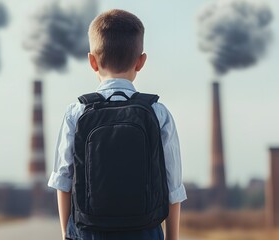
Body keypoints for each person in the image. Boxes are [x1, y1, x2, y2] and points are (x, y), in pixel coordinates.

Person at [48, 9, 187, 240]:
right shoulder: (157, 112)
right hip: (145, 230)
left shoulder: (77, 112)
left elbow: (63, 181)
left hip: (89, 231)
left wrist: (66, 233)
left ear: (92, 61)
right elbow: (173, 188)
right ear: (141, 61)